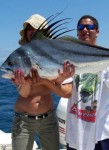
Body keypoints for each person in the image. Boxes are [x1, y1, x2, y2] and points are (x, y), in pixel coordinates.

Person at [64, 15, 109, 150]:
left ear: (97, 31)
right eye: (81, 27)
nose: (85, 29)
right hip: (76, 135)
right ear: (77, 32)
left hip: (104, 132)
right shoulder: (68, 59)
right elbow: (65, 90)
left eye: (90, 27)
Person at [11, 14, 69, 150]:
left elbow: (61, 88)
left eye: (35, 28)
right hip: (23, 120)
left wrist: (58, 79)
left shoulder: (56, 56)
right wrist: (24, 83)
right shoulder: (20, 57)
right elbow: (24, 94)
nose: (31, 30)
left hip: (48, 119)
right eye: (29, 28)